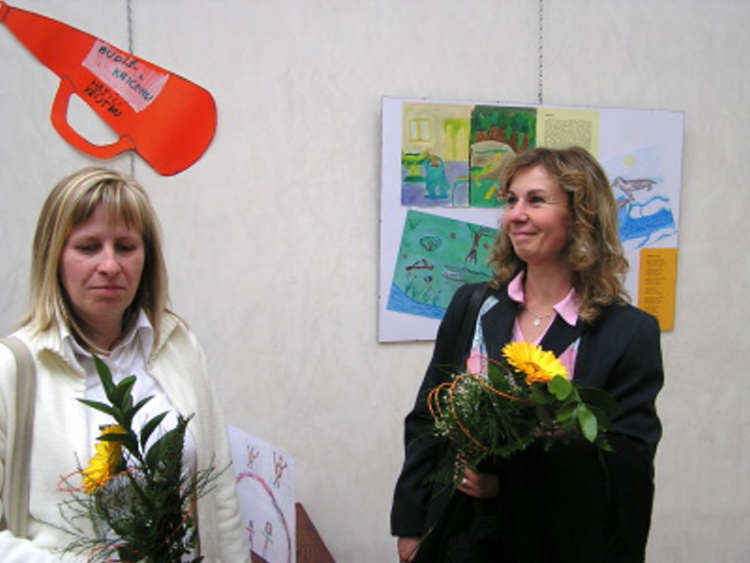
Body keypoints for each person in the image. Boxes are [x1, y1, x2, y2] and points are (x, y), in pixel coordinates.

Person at [391, 147, 664, 562]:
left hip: (556, 543)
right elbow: (428, 418)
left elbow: (627, 467)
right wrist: (411, 526)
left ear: (581, 215)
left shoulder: (627, 332)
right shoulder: (473, 305)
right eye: (511, 200)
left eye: (536, 200)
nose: (514, 215)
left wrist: (511, 484)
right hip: (458, 536)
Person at [0, 167, 250, 562]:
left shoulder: (178, 346)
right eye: (88, 247)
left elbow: (221, 499)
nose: (110, 265)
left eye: (125, 247)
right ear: (53, 257)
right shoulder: (14, 369)